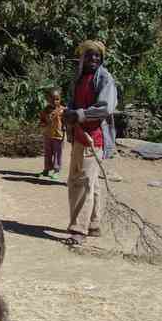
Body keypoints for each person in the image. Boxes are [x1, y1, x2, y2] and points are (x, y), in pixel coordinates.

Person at [62, 40, 118, 246]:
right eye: (89, 55)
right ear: (82, 57)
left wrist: (80, 114)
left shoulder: (105, 79)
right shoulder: (79, 78)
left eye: (97, 56)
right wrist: (68, 113)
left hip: (94, 138)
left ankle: (79, 229)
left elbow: (105, 108)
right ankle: (93, 224)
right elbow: (73, 102)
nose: (94, 59)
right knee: (90, 182)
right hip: (79, 135)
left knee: (81, 182)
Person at [39, 87, 65, 179]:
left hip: (58, 136)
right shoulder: (45, 110)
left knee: (57, 153)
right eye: (52, 99)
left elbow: (66, 122)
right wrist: (43, 124)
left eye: (57, 99)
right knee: (47, 153)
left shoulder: (62, 110)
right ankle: (47, 169)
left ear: (60, 99)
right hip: (47, 135)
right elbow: (42, 120)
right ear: (47, 99)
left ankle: (56, 170)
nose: (55, 101)